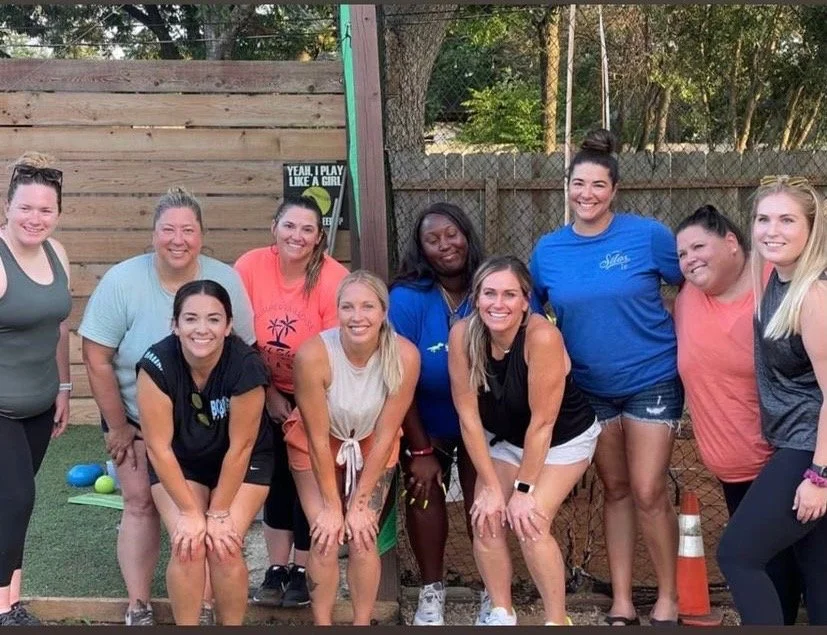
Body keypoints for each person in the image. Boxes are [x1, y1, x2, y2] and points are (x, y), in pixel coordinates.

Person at [79, 187, 255, 626]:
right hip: (137, 416)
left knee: (210, 511)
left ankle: (207, 604)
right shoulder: (122, 280)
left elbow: (244, 350)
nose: (178, 239)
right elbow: (96, 356)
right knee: (139, 502)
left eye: (188, 230)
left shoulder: (226, 279)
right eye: (168, 229)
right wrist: (117, 427)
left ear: (201, 235)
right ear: (153, 233)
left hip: (209, 419)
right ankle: (138, 605)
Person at [529, 129, 684, 625]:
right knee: (615, 490)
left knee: (647, 490)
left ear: (614, 190)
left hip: (651, 379)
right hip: (590, 389)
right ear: (567, 187)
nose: (587, 194)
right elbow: (531, 316)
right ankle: (620, 599)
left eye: (598, 185)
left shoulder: (648, 236)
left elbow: (693, 284)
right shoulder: (549, 250)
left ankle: (667, 597)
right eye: (579, 184)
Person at [447, 255, 600, 626]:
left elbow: (543, 424)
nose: (498, 304)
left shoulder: (542, 336)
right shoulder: (462, 335)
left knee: (530, 521)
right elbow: (468, 420)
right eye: (489, 293)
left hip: (564, 440)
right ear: (476, 297)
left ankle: (556, 619)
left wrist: (523, 489)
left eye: (509, 295)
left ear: (525, 299)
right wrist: (492, 489)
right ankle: (501, 612)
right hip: (507, 440)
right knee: (486, 516)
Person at [674, 204, 802, 624]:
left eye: (698, 247)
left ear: (732, 243)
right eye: (681, 254)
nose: (689, 259)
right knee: (773, 580)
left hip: (787, 462)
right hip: (733, 470)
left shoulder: (776, 282)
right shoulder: (687, 297)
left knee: (799, 575)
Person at [717, 175, 827, 625]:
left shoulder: (813, 295)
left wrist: (819, 475)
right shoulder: (776, 279)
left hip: (810, 447)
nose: (771, 230)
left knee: (738, 556)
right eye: (763, 219)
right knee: (819, 570)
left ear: (812, 227)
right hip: (795, 442)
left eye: (786, 219)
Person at [284, 270, 420, 625]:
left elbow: (389, 431)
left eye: (367, 307)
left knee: (362, 536)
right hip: (319, 443)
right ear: (337, 311)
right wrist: (332, 505)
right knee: (326, 535)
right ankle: (323, 622)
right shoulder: (314, 355)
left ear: (383, 311)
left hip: (374, 443)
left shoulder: (404, 356)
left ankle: (362, 622)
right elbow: (314, 438)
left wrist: (359, 504)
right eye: (348, 307)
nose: (357, 317)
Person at [135, 280, 272, 625]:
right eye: (191, 319)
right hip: (181, 463)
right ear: (175, 325)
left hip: (243, 462)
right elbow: (158, 447)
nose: (202, 329)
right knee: (189, 544)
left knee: (223, 547)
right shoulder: (156, 364)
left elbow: (241, 447)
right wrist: (189, 512)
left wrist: (219, 512)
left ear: (228, 327)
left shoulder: (246, 366)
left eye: (213, 319)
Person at [235, 195, 348, 608]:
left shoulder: (332, 277)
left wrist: (303, 405)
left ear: (319, 238)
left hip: (316, 391)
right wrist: (267, 395)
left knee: (309, 474)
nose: (296, 236)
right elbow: (238, 337)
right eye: (289, 226)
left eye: (307, 230)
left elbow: (332, 348)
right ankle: (276, 566)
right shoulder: (250, 267)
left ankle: (303, 567)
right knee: (273, 478)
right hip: (261, 387)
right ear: (274, 228)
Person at [388, 202, 485, 626]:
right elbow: (397, 379)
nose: (446, 245)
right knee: (422, 486)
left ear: (467, 234)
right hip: (425, 419)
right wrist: (421, 448)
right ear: (421, 248)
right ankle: (431, 592)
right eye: (433, 239)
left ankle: (491, 590)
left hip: (485, 422)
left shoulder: (493, 286)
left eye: (452, 234)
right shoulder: (408, 298)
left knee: (486, 499)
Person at [0, 153, 71, 627]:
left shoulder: (57, 253)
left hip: (41, 404)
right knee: (15, 498)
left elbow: (59, 327)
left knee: (16, 503)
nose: (35, 218)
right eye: (26, 208)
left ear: (58, 213)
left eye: (45, 210)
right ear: (7, 207)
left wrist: (64, 386)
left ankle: (11, 602)